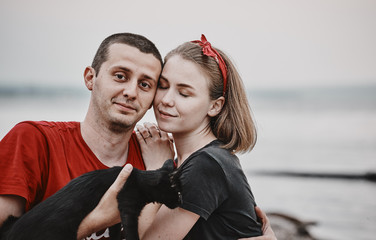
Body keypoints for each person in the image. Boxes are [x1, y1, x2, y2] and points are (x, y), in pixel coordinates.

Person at [0, 32, 276, 240]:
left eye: (146, 84)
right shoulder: (34, 141)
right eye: (120, 76)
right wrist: (98, 219)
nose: (132, 92)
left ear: (215, 105)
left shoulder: (171, 164)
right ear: (90, 78)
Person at [134, 34, 267, 239]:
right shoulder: (191, 161)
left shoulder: (208, 165)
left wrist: (157, 169)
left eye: (184, 93)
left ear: (215, 106)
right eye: (163, 86)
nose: (166, 100)